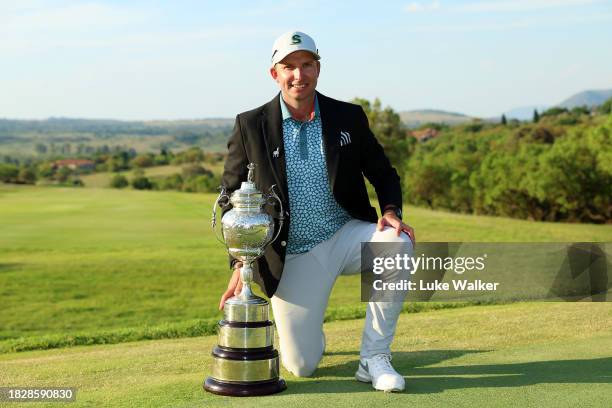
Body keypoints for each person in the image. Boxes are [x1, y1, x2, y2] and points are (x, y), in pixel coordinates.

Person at [219, 30, 415, 392]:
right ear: (274, 73)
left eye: (307, 64)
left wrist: (390, 210)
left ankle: (374, 357)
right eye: (289, 66)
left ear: (318, 68)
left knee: (395, 243)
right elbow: (231, 198)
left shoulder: (348, 117)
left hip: (346, 233)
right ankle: (311, 335)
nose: (299, 74)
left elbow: (384, 173)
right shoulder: (250, 125)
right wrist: (239, 264)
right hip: (292, 254)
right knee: (301, 365)